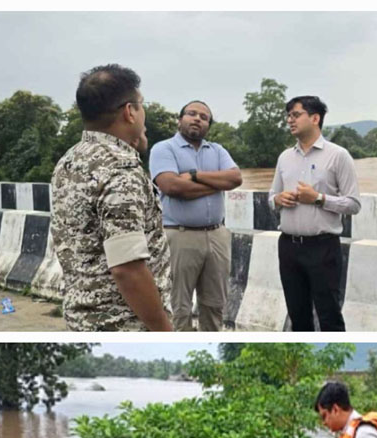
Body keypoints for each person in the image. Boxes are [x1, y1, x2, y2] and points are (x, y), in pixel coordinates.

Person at [50, 64, 172, 332]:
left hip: (82, 319)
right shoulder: (119, 170)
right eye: (141, 104)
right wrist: (163, 329)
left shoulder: (69, 161)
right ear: (130, 111)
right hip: (123, 323)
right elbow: (128, 269)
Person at [268, 96, 361, 331]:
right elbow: (271, 198)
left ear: (315, 118)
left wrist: (319, 199)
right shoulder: (284, 157)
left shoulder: (338, 155)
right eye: (288, 115)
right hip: (288, 246)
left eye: (295, 115)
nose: (290, 120)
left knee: (329, 315)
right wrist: (278, 200)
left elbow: (353, 204)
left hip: (322, 247)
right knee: (297, 316)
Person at [149, 101, 242, 331]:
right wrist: (216, 184)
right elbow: (172, 187)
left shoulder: (217, 150)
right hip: (180, 236)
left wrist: (194, 175)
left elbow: (235, 179)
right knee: (178, 305)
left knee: (214, 304)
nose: (197, 119)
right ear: (180, 119)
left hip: (216, 235)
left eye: (204, 117)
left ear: (208, 125)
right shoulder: (164, 149)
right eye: (191, 114)